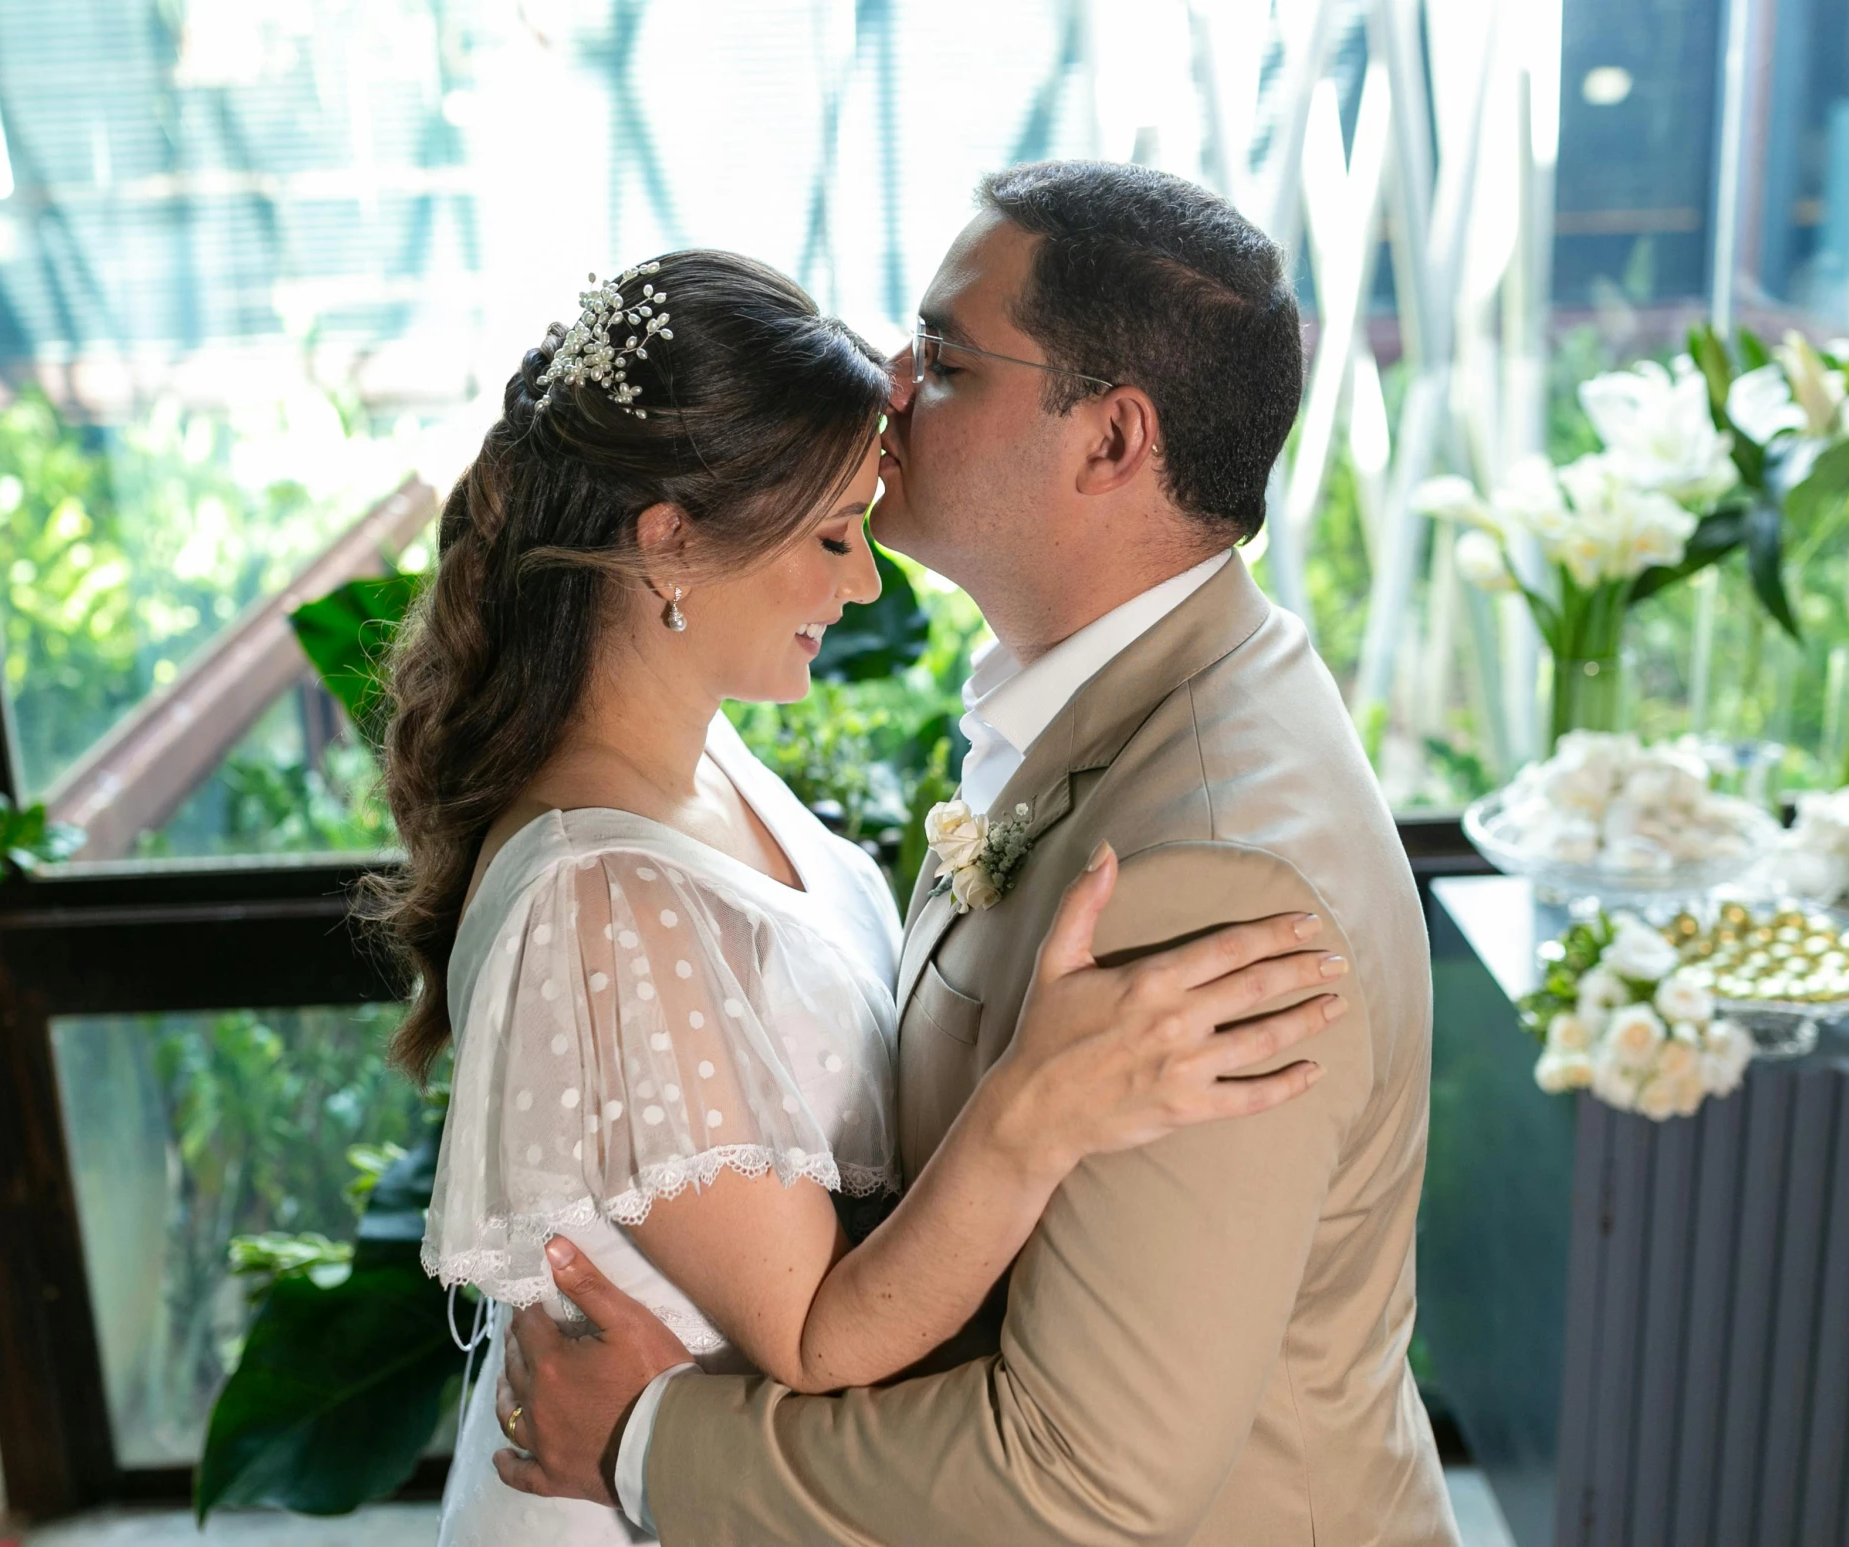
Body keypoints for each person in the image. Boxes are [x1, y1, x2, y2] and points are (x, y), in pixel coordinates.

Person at [494, 162, 1460, 1546]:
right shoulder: (1124, 692)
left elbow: (1083, 1474)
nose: (886, 384)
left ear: (1110, 439)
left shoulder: (1203, 877)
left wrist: (646, 1441)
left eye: (942, 356)